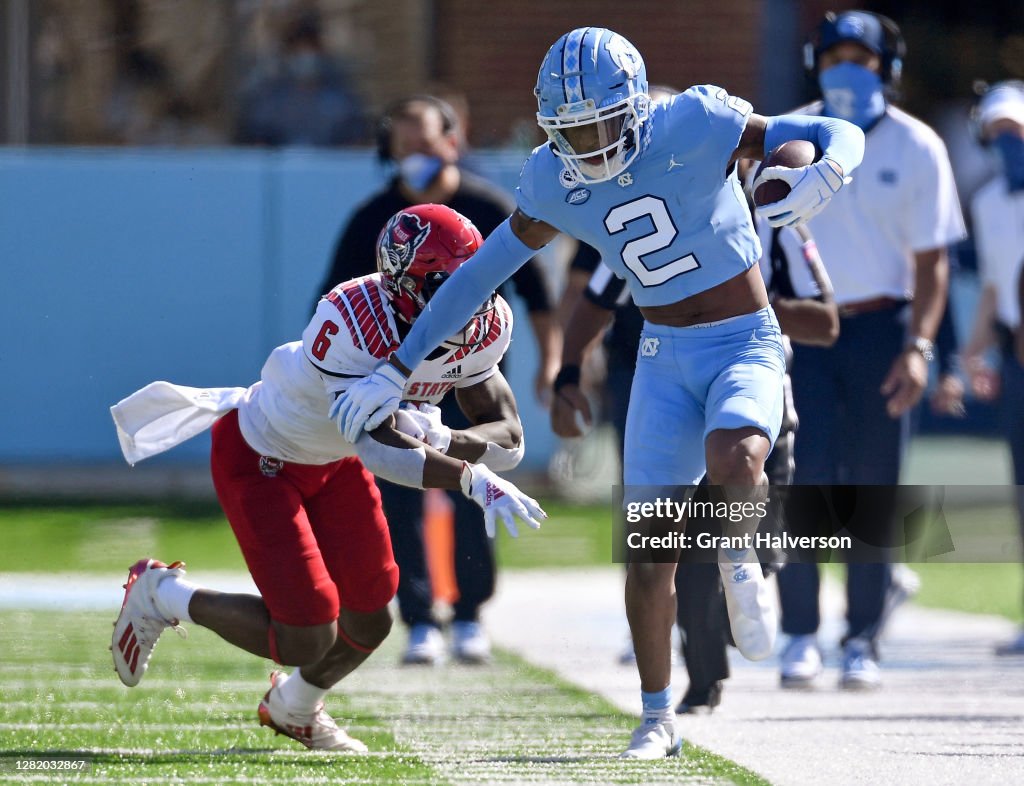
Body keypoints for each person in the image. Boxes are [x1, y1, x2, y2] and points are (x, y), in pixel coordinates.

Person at [333, 27, 865, 758]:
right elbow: (478, 277)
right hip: (661, 355)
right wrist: (400, 364)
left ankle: (741, 558)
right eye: (570, 127)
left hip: (745, 336)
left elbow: (829, 129)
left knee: (735, 453)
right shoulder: (553, 177)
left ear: (635, 106)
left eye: (597, 121)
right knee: (649, 556)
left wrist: (829, 165)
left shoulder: (694, 121)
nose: (585, 140)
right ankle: (655, 718)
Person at [109, 204, 544, 753]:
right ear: (402, 285)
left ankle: (294, 707)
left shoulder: (488, 323)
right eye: (445, 284)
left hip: (334, 464)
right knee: (306, 634)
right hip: (264, 459)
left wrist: (445, 440)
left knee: (370, 620)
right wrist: (470, 479)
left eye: (473, 278)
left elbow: (508, 436)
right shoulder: (353, 320)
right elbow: (383, 450)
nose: (466, 298)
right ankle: (162, 594)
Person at [552, 159, 839, 715]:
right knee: (676, 548)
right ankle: (702, 681)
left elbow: (828, 322)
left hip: (757, 396)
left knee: (757, 543)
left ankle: (744, 610)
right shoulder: (652, 216)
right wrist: (568, 371)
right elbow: (595, 299)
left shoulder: (777, 219)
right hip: (677, 396)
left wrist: (744, 303)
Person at [318, 94, 561, 665]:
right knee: (401, 489)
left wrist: (551, 363)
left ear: (453, 142)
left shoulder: (489, 206)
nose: (413, 159)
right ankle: (421, 615)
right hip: (390, 375)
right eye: (402, 148)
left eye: (423, 145)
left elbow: (538, 295)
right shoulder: (370, 217)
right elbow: (330, 300)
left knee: (476, 478)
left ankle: (471, 611)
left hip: (466, 368)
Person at [772, 10, 966, 690]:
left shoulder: (918, 146)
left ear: (890, 66)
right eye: (835, 56)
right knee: (801, 479)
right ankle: (799, 634)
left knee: (873, 489)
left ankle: (861, 638)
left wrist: (920, 346)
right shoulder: (788, 135)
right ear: (814, 63)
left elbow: (932, 262)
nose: (848, 68)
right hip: (802, 331)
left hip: (883, 330)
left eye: (864, 56)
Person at [960, 80, 1024, 655]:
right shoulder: (986, 204)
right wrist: (969, 354)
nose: (1009, 143)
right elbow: (994, 286)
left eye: (1018, 132)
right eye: (999, 133)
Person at [236, 9, 367, 147]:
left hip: (329, 166)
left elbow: (355, 141)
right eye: (298, 49)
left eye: (311, 48)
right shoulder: (269, 99)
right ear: (288, 53)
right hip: (278, 167)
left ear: (321, 51)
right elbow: (255, 142)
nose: (305, 55)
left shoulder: (342, 98)